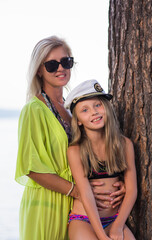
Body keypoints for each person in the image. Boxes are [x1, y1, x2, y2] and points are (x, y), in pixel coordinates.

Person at [15, 36, 126, 240]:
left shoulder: (73, 109)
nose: (60, 69)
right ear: (39, 69)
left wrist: (117, 182)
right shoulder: (34, 110)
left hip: (81, 207)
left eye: (66, 62)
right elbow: (31, 169)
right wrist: (78, 192)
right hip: (48, 205)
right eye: (51, 64)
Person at [65, 79, 137, 240]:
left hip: (115, 219)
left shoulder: (124, 144)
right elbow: (85, 193)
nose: (94, 112)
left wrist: (118, 226)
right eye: (85, 110)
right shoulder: (75, 151)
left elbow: (132, 190)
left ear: (106, 107)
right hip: (84, 220)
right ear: (78, 121)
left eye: (98, 105)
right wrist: (102, 236)